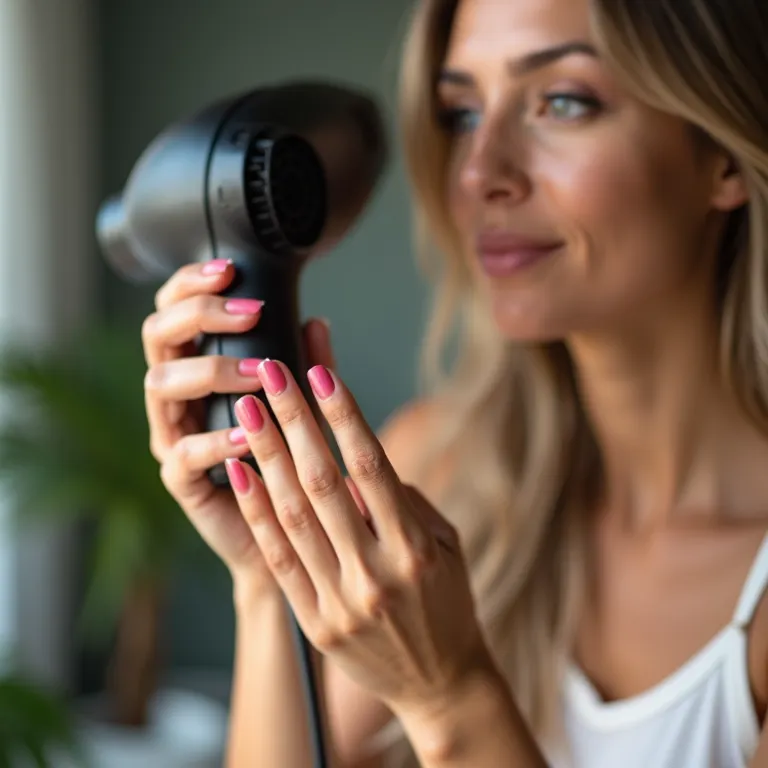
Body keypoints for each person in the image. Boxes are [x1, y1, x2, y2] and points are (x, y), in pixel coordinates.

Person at [139, 0, 768, 764]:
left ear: (724, 158)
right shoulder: (438, 471)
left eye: (563, 102)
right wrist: (275, 576)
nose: (479, 172)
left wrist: (451, 697)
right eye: (462, 113)